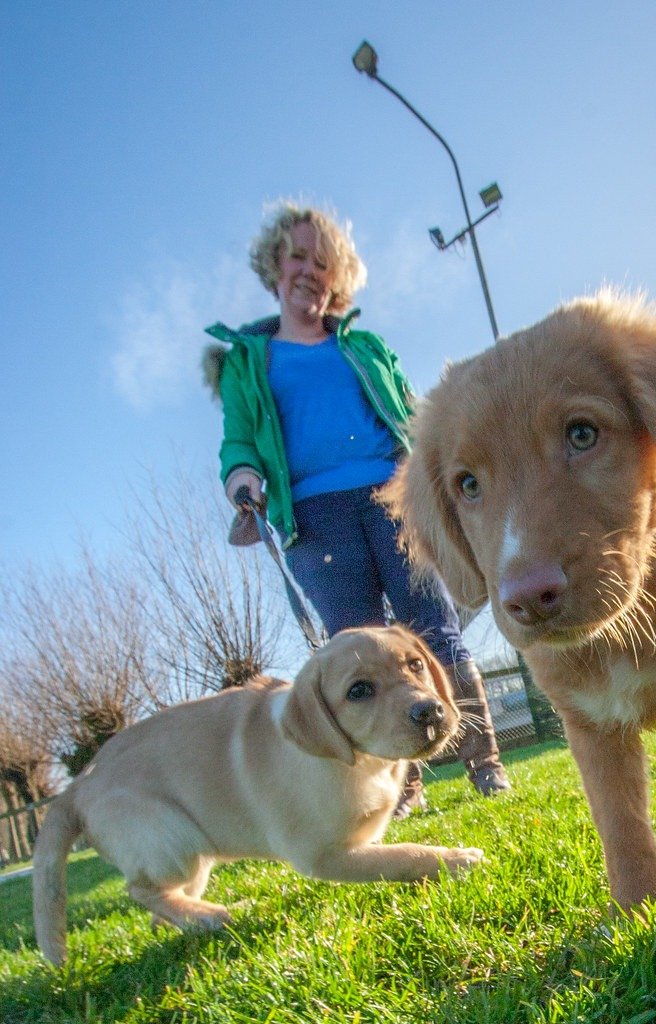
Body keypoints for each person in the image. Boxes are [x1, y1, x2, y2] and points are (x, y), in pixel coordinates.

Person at [202, 202, 511, 814]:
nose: (309, 271)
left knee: (433, 628)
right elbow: (240, 438)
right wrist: (243, 480)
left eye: (323, 262)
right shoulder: (249, 363)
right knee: (357, 651)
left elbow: (413, 415)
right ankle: (405, 787)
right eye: (297, 256)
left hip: (393, 501)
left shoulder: (364, 345)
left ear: (336, 276)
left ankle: (485, 762)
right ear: (274, 265)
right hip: (316, 519)